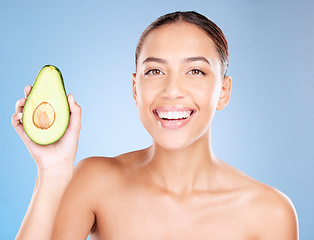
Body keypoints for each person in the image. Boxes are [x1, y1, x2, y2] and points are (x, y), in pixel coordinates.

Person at [12, 11, 298, 240]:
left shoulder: (270, 212)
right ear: (136, 89)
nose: (172, 90)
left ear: (223, 91)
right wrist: (53, 169)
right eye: (155, 71)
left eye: (195, 71)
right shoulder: (94, 181)